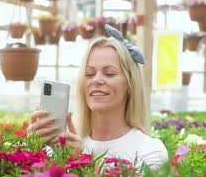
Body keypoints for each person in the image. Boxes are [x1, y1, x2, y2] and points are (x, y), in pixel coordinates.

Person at [28, 24, 168, 169]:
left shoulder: (150, 150)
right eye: (89, 74)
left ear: (130, 84)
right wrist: (34, 149)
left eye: (109, 73)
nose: (96, 80)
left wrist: (82, 161)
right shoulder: (62, 145)